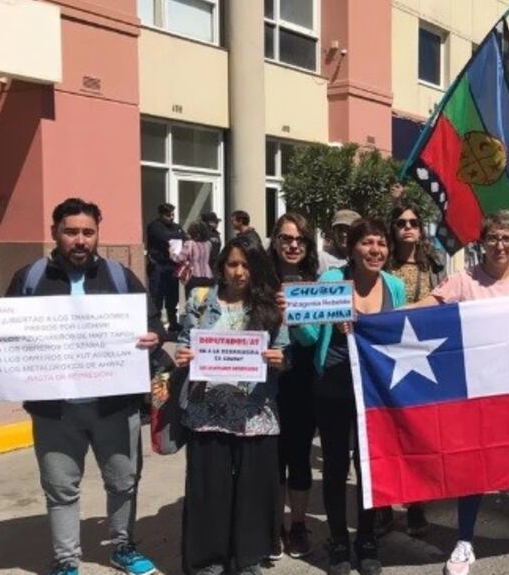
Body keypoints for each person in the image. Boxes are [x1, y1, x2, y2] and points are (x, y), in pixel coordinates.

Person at [5, 198, 163, 575]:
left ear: (97, 235)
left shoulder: (119, 277)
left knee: (123, 481)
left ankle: (122, 546)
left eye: (88, 232)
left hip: (115, 406)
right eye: (71, 232)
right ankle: (66, 559)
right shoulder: (30, 278)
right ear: (54, 233)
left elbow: (153, 321)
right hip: (54, 409)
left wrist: (153, 336)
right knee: (60, 489)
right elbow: (7, 330)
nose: (80, 240)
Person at [409, 210, 509, 575]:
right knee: (475, 466)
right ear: (481, 242)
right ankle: (465, 540)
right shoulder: (464, 280)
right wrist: (373, 320)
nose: (500, 245)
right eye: (493, 237)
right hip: (477, 390)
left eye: (507, 238)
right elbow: (422, 310)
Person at [291, 218, 407, 575]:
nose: (375, 250)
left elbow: (400, 337)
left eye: (381, 243)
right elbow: (309, 338)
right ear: (352, 248)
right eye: (367, 242)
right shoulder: (331, 280)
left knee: (369, 466)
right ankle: (339, 540)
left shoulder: (395, 286)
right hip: (333, 385)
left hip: (375, 389)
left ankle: (366, 539)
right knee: (336, 465)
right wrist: (298, 319)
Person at [173, 236, 288, 575]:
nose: (239, 272)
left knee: (252, 490)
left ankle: (248, 557)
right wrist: (183, 355)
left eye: (246, 265)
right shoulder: (199, 298)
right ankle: (209, 560)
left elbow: (286, 353)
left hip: (255, 412)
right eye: (232, 264)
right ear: (221, 266)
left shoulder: (270, 306)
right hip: (206, 411)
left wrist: (280, 360)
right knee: (210, 489)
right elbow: (183, 341)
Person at [378, 204, 445, 536]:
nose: (408, 227)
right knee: (386, 431)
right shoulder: (382, 263)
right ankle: (384, 503)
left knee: (417, 431)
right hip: (384, 355)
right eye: (401, 222)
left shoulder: (433, 264)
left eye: (414, 222)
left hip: (422, 355)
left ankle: (417, 503)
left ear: (421, 228)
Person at [267, 213, 321, 560]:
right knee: (271, 459)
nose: (293, 245)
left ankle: (298, 525)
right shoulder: (258, 280)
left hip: (301, 379)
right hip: (262, 380)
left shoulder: (316, 284)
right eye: (286, 238)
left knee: (299, 455)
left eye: (300, 239)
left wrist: (295, 318)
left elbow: (314, 338)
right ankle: (273, 525)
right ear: (275, 241)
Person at [146, 202, 186, 333]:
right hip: (158, 265)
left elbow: (184, 237)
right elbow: (164, 237)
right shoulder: (154, 226)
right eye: (168, 215)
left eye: (173, 215)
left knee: (172, 297)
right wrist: (176, 237)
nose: (171, 218)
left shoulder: (176, 226)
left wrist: (177, 236)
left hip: (172, 266)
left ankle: (173, 323)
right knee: (157, 296)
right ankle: (155, 325)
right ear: (161, 215)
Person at [172, 221, 216, 296]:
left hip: (194, 276)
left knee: (192, 300)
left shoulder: (189, 243)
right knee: (206, 300)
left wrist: (172, 253)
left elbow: (179, 258)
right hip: (208, 276)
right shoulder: (209, 244)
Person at [319, 209, 361, 274]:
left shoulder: (363, 259)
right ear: (333, 232)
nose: (344, 234)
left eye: (348, 229)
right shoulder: (321, 259)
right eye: (340, 229)